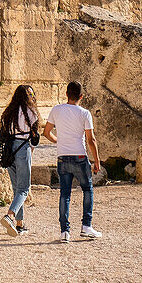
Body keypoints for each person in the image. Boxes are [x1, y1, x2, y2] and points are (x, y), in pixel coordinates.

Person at [43, 81, 102, 242]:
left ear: (66, 94)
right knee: (87, 190)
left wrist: (59, 141)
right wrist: (96, 161)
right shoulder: (85, 113)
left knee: (65, 194)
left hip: (62, 157)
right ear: (81, 96)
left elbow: (46, 132)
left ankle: (64, 232)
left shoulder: (57, 110)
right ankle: (86, 226)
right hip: (80, 156)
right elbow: (91, 139)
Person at [0, 84, 40, 237]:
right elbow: (35, 139)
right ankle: (10, 215)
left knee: (16, 188)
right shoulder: (31, 112)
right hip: (23, 148)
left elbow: (1, 136)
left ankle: (19, 224)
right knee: (24, 188)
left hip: (9, 150)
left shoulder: (9, 113)